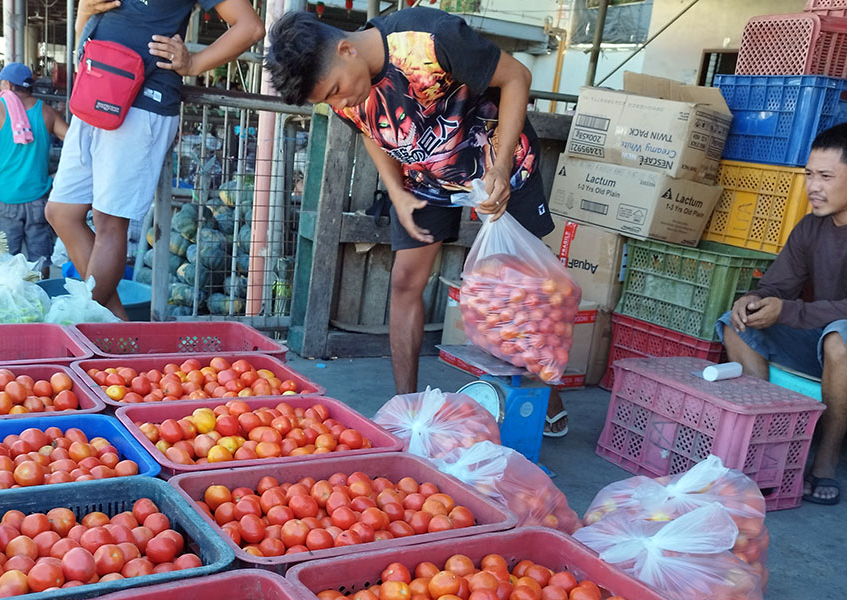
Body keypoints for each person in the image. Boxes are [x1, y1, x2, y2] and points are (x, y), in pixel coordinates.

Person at [265, 8, 570, 433]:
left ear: (346, 49)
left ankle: (544, 401)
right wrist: (396, 192)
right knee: (405, 281)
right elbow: (369, 130)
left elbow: (516, 76)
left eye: (336, 90)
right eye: (328, 100)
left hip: (499, 159)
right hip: (426, 177)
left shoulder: (432, 39)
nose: (339, 103)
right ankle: (407, 408)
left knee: (523, 291)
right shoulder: (343, 91)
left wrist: (499, 169)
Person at [45, 0, 264, 319]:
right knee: (61, 211)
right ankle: (112, 328)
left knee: (109, 222)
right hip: (95, 90)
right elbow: (84, 42)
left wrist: (195, 63)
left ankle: (85, 326)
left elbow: (250, 26)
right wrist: (84, 13)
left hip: (143, 101)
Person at [718, 124, 847, 506]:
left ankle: (825, 459)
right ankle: (766, 443)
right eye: (809, 174)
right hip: (821, 342)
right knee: (736, 325)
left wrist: (787, 310)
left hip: (839, 346)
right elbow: (778, 286)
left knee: (840, 338)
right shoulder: (811, 227)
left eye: (826, 176)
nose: (813, 186)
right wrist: (755, 300)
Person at [0, 62, 68, 277]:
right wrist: (59, 176)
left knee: (5, 260)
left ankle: (10, 304)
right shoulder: (47, 112)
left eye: (2, 83)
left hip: (6, 197)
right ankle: (41, 300)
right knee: (40, 261)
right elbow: (72, 141)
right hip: (38, 198)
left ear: (9, 85)